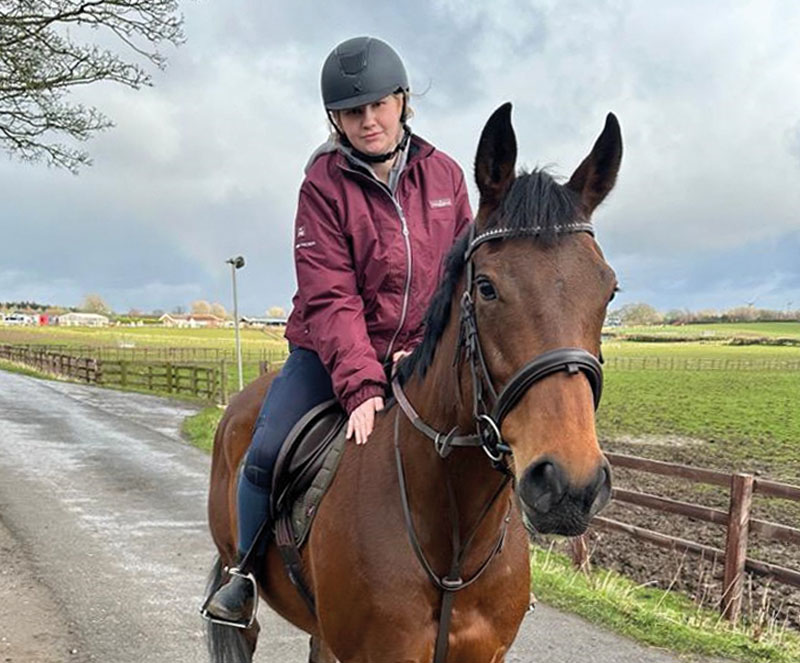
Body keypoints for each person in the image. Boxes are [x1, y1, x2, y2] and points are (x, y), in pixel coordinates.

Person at [204, 35, 473, 624]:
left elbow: (459, 278)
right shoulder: (322, 186)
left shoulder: (446, 176)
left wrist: (426, 351)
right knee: (265, 450)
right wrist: (361, 385)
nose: (369, 120)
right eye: (354, 111)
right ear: (336, 119)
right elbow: (331, 295)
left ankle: (493, 578)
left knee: (490, 442)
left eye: (379, 104)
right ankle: (242, 575)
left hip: (418, 354)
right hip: (329, 354)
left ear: (403, 101)